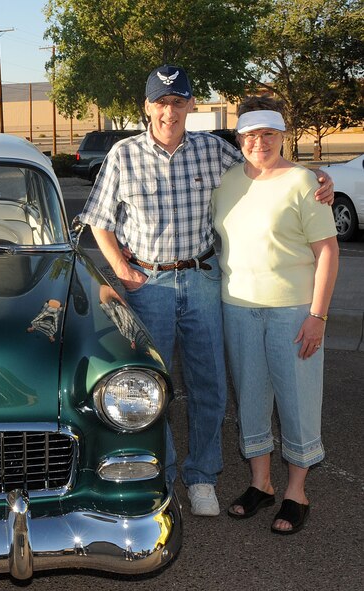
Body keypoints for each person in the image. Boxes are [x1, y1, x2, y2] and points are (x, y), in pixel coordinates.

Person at [77, 65, 334, 517]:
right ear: (147, 107)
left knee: (210, 383)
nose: (169, 111)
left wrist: (316, 177)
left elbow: (266, 167)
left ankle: (202, 477)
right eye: (161, 102)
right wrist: (120, 268)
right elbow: (98, 220)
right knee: (153, 386)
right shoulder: (123, 154)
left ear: (191, 106)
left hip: (203, 280)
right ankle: (163, 473)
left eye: (178, 102)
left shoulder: (215, 152)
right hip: (148, 282)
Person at [213, 96, 338, 534]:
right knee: (250, 398)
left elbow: (328, 252)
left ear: (282, 135)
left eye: (268, 134)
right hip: (238, 308)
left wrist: (317, 317)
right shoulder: (225, 181)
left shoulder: (305, 182)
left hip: (293, 312)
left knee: (298, 400)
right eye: (250, 135)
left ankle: (296, 492)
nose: (259, 143)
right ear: (239, 138)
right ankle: (261, 484)